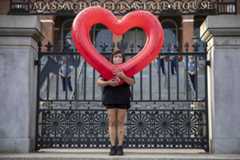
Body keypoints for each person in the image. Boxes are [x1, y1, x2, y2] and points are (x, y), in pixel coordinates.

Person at [96, 50, 135, 156]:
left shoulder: (127, 68)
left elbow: (132, 82)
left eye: (120, 56)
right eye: (115, 56)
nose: (117, 58)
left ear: (123, 59)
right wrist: (108, 82)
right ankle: (113, 146)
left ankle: (120, 147)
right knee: (112, 122)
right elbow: (98, 82)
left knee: (121, 122)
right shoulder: (107, 69)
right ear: (112, 58)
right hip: (110, 97)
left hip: (123, 97)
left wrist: (123, 76)